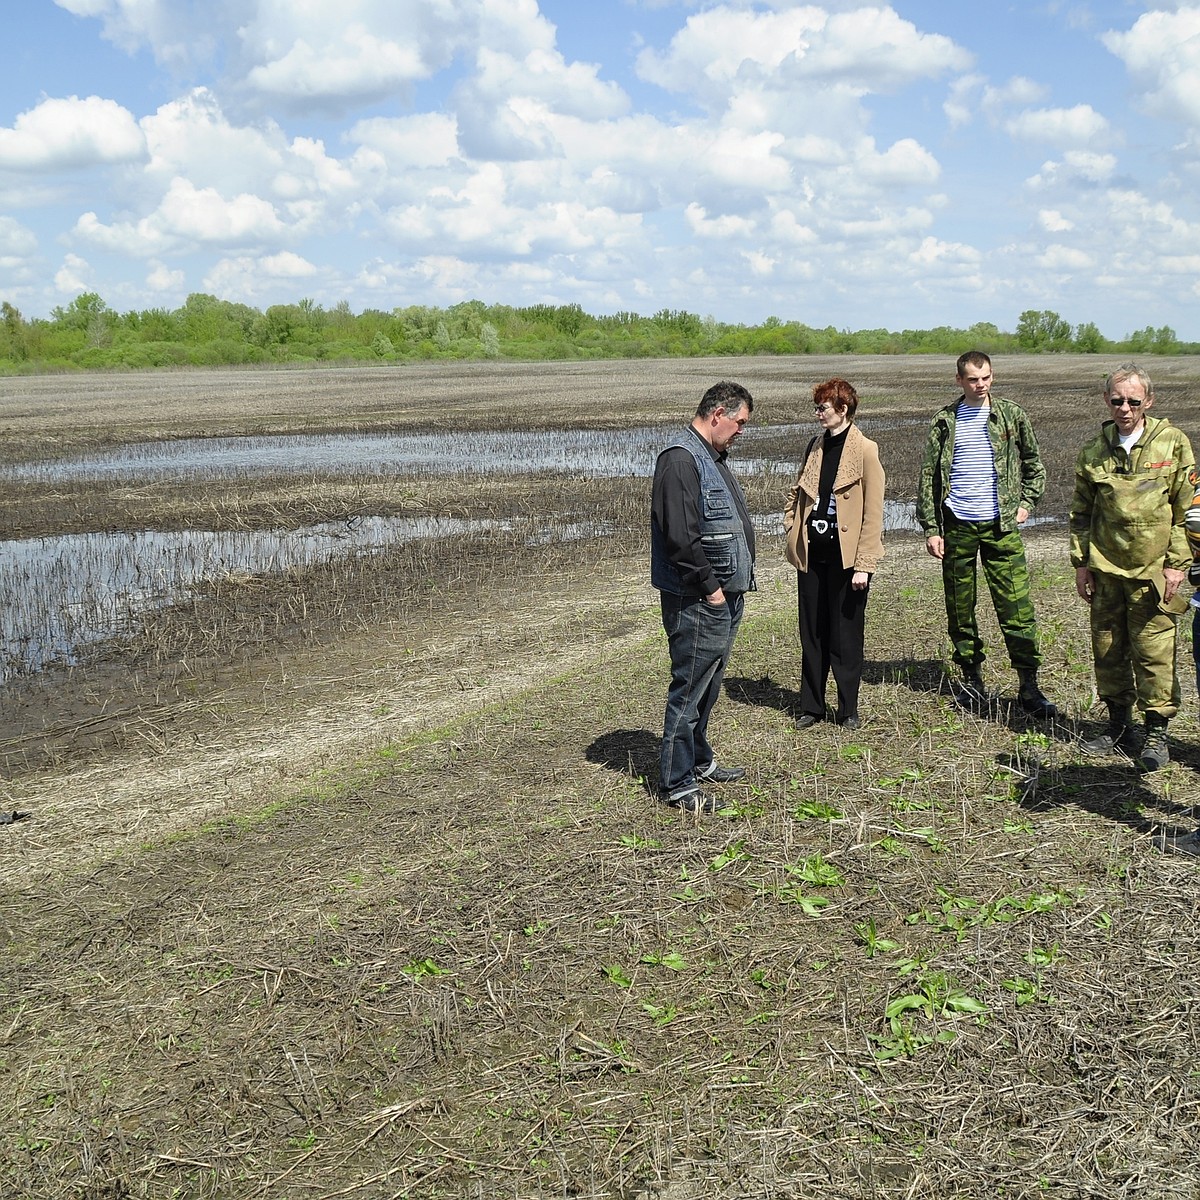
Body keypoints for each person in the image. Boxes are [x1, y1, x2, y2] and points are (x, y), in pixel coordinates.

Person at [916, 350, 1055, 717]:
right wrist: (932, 528)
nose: (981, 385)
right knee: (960, 609)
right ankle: (972, 681)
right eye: (973, 379)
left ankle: (1029, 687)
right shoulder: (945, 421)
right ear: (959, 380)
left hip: (1001, 526)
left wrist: (1025, 504)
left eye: (987, 378)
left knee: (1016, 608)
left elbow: (1034, 466)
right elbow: (929, 478)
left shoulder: (1011, 414)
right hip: (958, 525)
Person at [1071, 362, 1195, 774]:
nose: (1125, 408)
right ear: (1106, 400)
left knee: (1154, 652)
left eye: (1134, 401)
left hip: (1154, 574)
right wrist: (1082, 564)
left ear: (1149, 401)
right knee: (1108, 650)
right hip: (1106, 572)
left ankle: (1156, 732)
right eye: (1118, 400)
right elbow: (1082, 513)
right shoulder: (1094, 449)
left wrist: (1178, 564)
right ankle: (1118, 726)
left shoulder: (1173, 444)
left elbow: (1187, 511)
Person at [651, 381, 756, 813]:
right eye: (740, 423)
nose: (741, 432)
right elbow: (681, 537)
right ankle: (677, 783)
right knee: (689, 691)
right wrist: (712, 590)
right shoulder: (680, 460)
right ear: (717, 413)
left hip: (722, 597)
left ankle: (697, 760)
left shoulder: (711, 457)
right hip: (698, 600)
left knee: (708, 688)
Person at [783, 378, 885, 729]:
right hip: (812, 557)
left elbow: (873, 513)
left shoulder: (866, 450)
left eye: (823, 408)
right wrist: (790, 526)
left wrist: (864, 565)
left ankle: (847, 709)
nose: (818, 413)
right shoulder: (815, 446)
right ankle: (812, 707)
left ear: (843, 409)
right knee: (812, 633)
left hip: (848, 562)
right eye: (818, 407)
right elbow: (800, 493)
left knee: (845, 634)